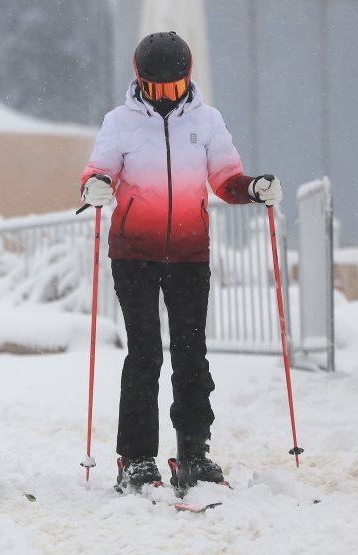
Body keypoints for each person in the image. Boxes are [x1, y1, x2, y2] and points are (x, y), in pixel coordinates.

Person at [79, 31, 282, 492]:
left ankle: (194, 452)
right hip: (134, 254)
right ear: (141, 82)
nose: (166, 99)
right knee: (145, 353)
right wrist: (94, 185)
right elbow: (99, 169)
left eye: (174, 89)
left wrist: (252, 188)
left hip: (190, 254)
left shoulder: (207, 122)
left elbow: (226, 178)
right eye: (156, 89)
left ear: (187, 81)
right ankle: (135, 458)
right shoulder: (119, 122)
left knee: (192, 354)